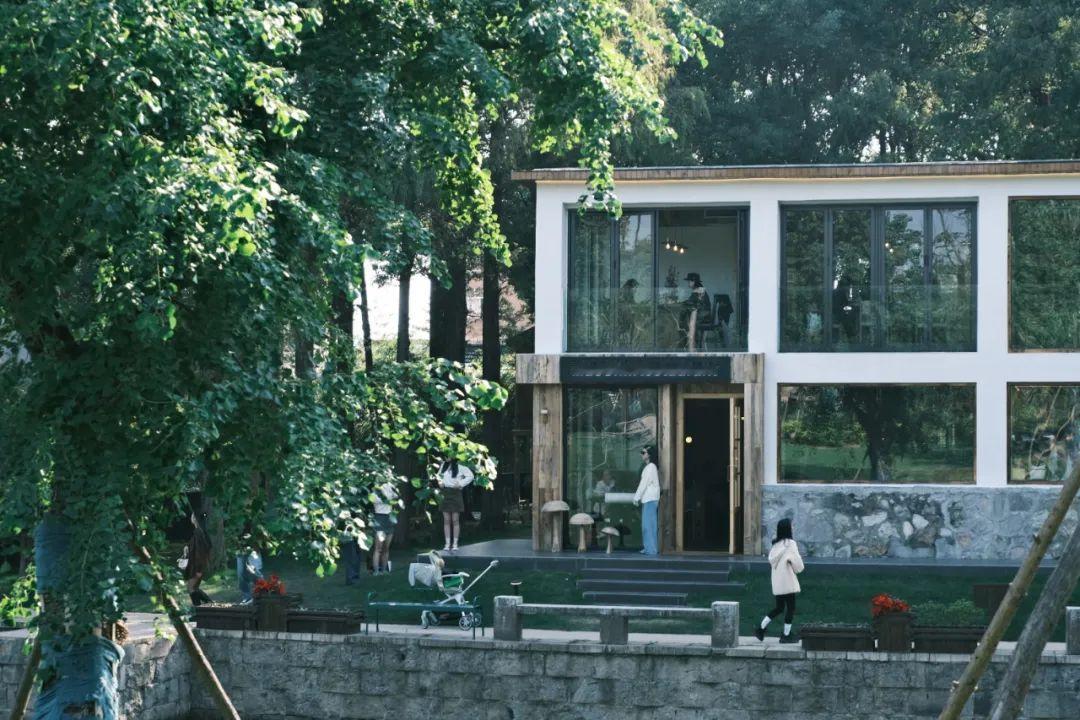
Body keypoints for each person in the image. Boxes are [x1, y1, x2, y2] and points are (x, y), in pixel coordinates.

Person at [755, 518, 804, 644]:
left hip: (778, 582)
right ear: (788, 528)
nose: (793, 527)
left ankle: (761, 628)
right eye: (791, 525)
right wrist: (796, 567)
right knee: (791, 608)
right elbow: (798, 566)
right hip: (787, 582)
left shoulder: (775, 544)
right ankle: (786, 635)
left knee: (779, 608)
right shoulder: (790, 544)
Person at [438, 459, 474, 552]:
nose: (447, 456)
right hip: (444, 493)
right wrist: (440, 482)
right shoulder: (443, 466)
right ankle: (447, 544)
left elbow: (471, 476)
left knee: (455, 520)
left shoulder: (460, 467)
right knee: (446, 520)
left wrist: (461, 483)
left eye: (449, 454)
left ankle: (455, 544)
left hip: (456, 493)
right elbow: (438, 476)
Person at [632, 446, 660, 555]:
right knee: (647, 525)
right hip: (649, 499)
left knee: (648, 526)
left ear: (649, 454)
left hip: (650, 500)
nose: (641, 454)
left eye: (643, 452)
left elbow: (643, 483)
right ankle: (649, 547)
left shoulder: (651, 467)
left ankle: (651, 549)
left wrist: (636, 497)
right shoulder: (649, 467)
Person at [371, 481, 399, 574]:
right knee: (378, 548)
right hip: (379, 518)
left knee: (386, 548)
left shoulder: (390, 486)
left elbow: (396, 496)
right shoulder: (375, 489)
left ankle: (384, 570)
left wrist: (391, 488)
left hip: (389, 518)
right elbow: (379, 499)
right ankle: (376, 571)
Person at [681, 273, 712, 350]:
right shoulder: (699, 290)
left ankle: (690, 344)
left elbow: (691, 303)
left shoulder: (699, 290)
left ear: (694, 282)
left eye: (689, 281)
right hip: (703, 315)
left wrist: (680, 303)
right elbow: (691, 302)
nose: (688, 283)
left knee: (685, 322)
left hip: (703, 317)